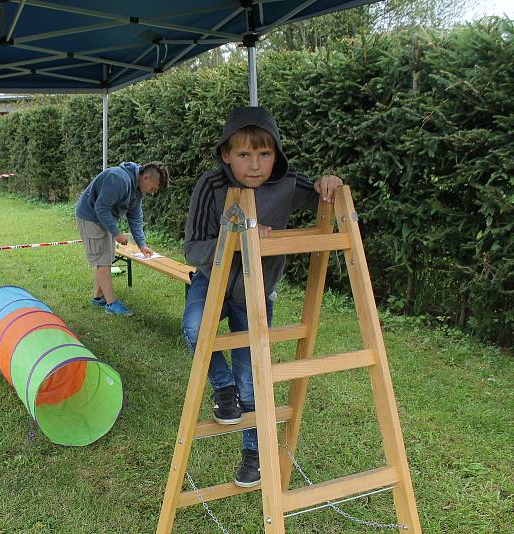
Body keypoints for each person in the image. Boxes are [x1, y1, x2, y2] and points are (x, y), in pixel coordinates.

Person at [182, 105, 343, 487]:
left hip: (257, 292)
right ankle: (223, 390)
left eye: (265, 154)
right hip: (212, 279)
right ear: (226, 154)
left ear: (277, 155)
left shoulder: (286, 183)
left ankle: (253, 453)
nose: (255, 165)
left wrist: (329, 183)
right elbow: (192, 249)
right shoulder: (211, 186)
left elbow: (323, 196)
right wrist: (234, 240)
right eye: (244, 154)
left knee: (252, 378)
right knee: (193, 328)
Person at [75, 161, 169, 317]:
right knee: (101, 261)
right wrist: (116, 232)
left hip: (103, 218)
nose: (153, 192)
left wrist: (141, 244)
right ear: (146, 177)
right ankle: (111, 303)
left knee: (106, 257)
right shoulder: (118, 180)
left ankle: (98, 298)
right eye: (153, 188)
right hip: (90, 216)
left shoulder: (137, 189)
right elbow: (101, 207)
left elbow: (135, 216)